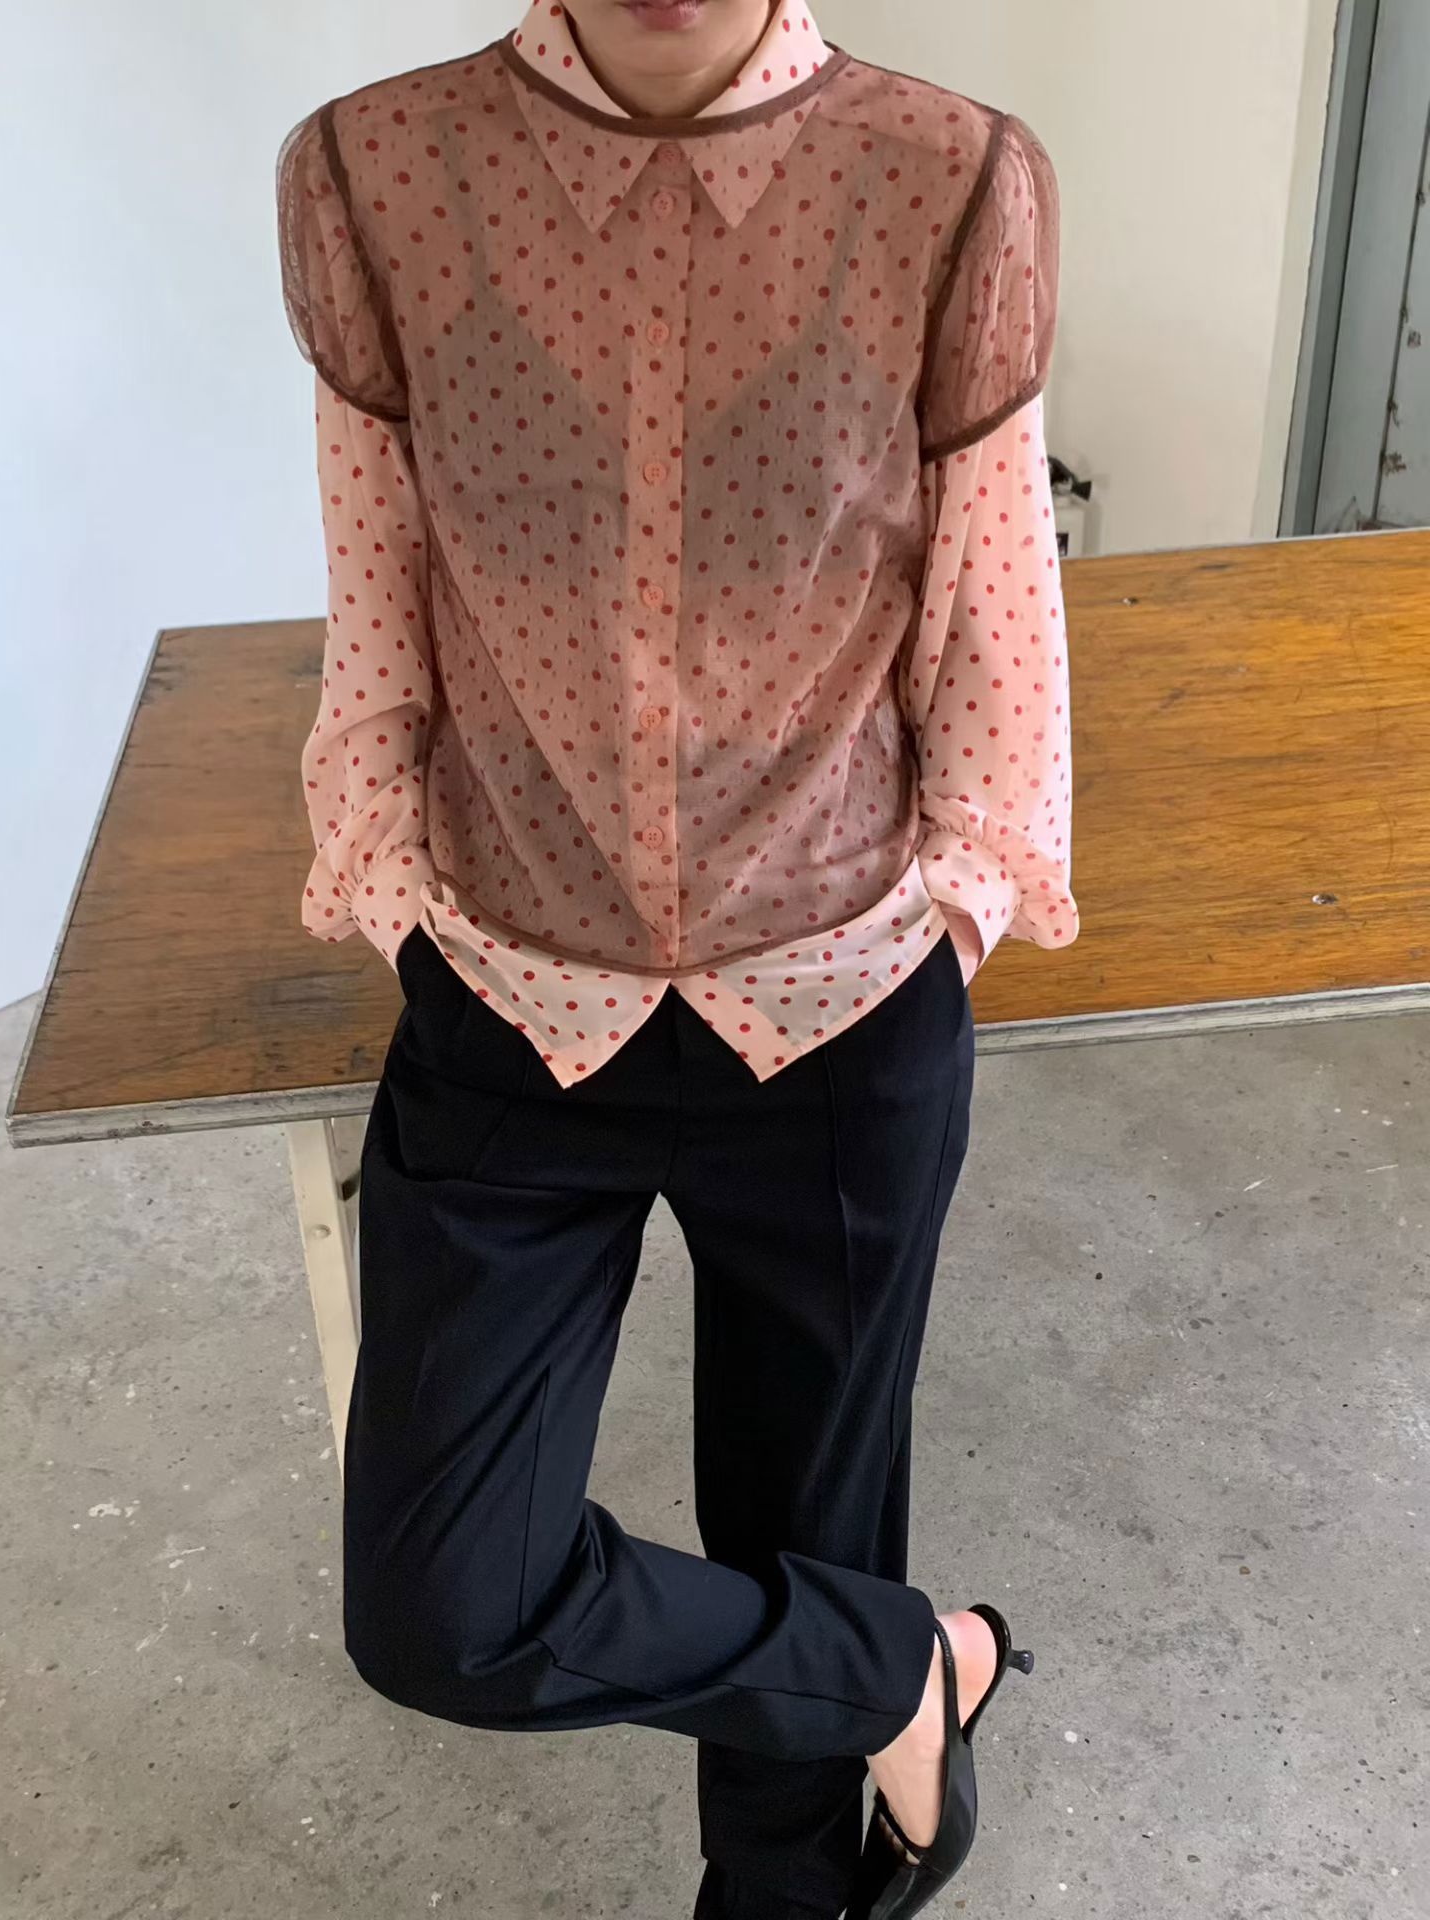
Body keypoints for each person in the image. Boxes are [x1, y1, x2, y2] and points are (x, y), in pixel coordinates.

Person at [275, 1, 1078, 1913]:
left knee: (810, 1511)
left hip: (838, 1006)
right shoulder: (375, 174)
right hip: (510, 1000)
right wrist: (393, 881)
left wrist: (954, 907)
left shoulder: (949, 179)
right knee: (442, 1602)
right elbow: (379, 588)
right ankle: (898, 1672)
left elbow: (993, 602)